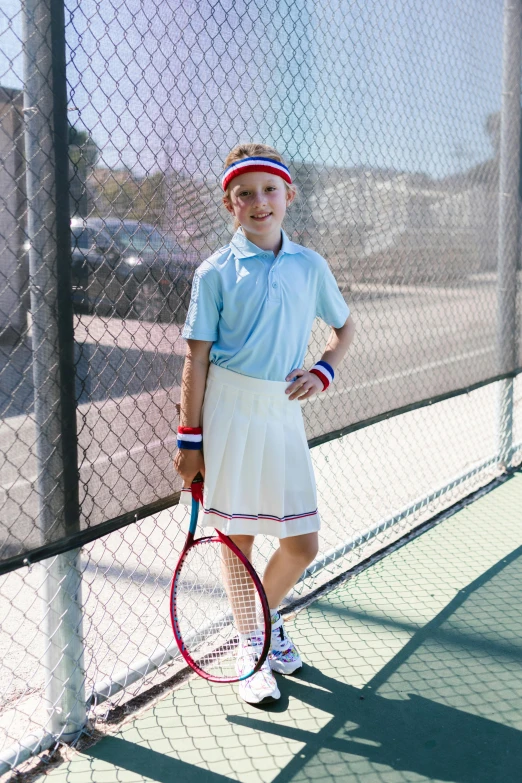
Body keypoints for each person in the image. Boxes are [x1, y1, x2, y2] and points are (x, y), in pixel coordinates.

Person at [175, 142, 355, 704]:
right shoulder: (214, 272)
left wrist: (324, 369)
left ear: (288, 197)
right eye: (244, 195)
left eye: (269, 191)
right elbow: (196, 360)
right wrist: (190, 441)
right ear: (230, 205)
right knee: (238, 540)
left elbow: (345, 329)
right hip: (227, 414)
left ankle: (262, 622)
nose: (259, 203)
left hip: (282, 415)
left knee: (302, 544)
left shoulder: (310, 265)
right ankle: (252, 647)